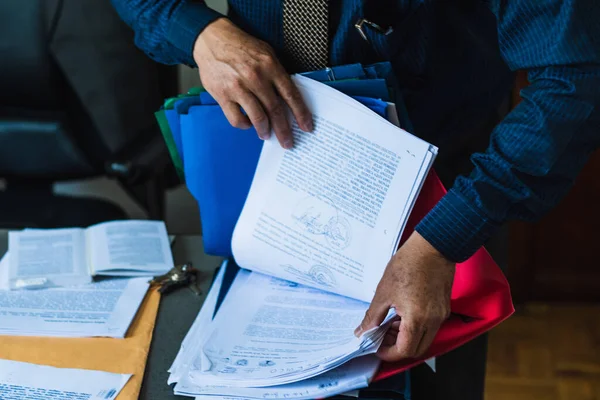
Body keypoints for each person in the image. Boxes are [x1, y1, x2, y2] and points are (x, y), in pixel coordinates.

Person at [110, 0, 599, 390]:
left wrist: (446, 238)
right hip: (267, 197)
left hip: (440, 215)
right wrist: (197, 31)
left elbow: (573, 82)